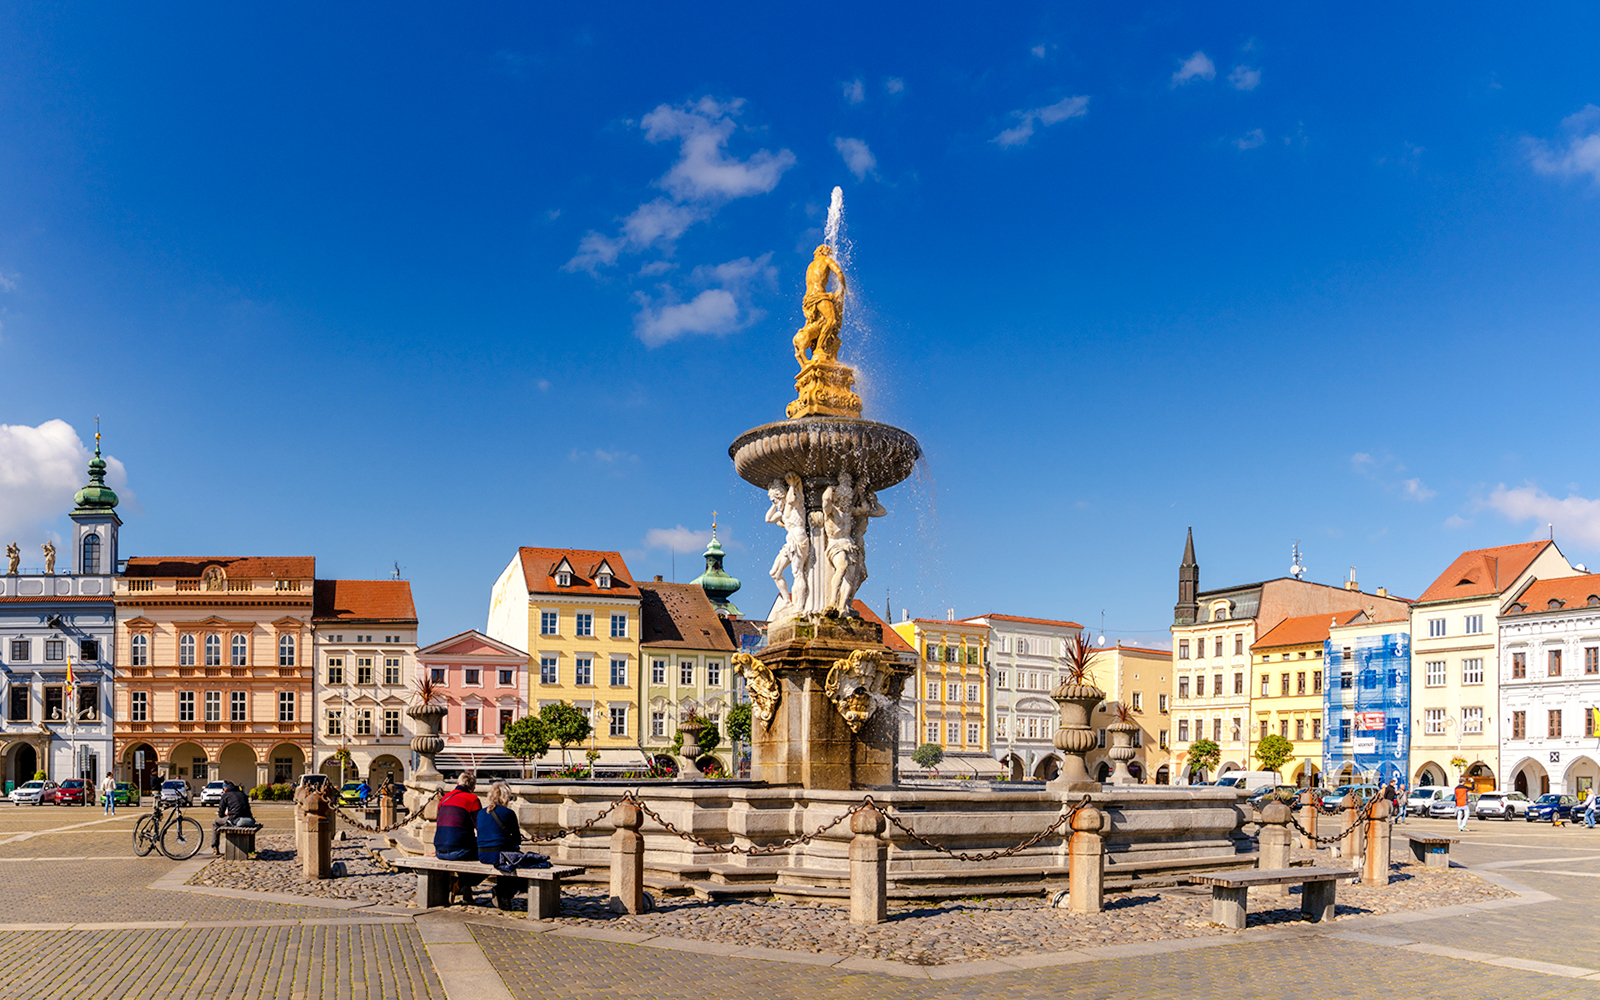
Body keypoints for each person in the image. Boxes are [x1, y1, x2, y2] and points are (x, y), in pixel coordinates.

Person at [477, 782, 529, 910]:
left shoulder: (481, 813)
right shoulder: (508, 813)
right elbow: (517, 839)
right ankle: (503, 893)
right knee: (519, 861)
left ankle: (502, 893)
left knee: (504, 857)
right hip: (500, 855)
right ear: (506, 797)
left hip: (483, 854)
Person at [434, 773, 483, 902]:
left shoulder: (444, 799)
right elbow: (481, 827)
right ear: (473, 788)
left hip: (440, 850)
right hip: (459, 852)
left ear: (457, 784)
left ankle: (464, 888)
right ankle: (461, 884)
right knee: (488, 856)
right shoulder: (472, 799)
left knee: (463, 843)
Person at [210, 780, 256, 856]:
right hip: (248, 819)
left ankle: (215, 848)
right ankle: (250, 849)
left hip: (236, 820)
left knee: (215, 822)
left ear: (224, 788)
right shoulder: (242, 794)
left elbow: (220, 813)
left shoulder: (226, 795)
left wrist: (225, 815)